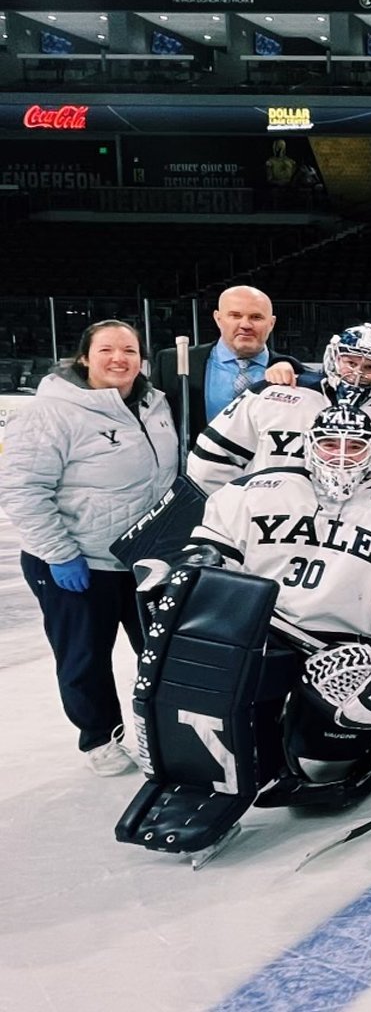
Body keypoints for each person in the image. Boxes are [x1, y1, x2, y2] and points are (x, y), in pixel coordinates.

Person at [127, 403, 371, 852]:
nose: (341, 456)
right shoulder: (252, 491)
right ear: (310, 446)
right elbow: (211, 554)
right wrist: (191, 570)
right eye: (331, 444)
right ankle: (202, 772)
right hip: (258, 632)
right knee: (196, 674)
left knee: (321, 770)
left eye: (355, 447)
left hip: (342, 648)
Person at [0, 320, 178, 774]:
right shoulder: (51, 412)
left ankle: (162, 727)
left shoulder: (154, 403)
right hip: (77, 561)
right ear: (84, 357)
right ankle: (99, 736)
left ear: (143, 358)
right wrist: (59, 554)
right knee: (84, 657)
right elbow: (22, 489)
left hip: (143, 561)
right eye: (107, 350)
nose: (119, 358)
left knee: (160, 653)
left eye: (129, 350)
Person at [187, 322, 371, 508]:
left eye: (370, 367)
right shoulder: (274, 393)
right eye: (350, 362)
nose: (357, 373)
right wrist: (233, 511)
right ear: (332, 357)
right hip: (263, 532)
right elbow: (210, 460)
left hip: (346, 546)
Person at [151, 284, 301, 438]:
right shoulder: (172, 363)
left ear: (271, 323)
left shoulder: (294, 372)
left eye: (256, 317)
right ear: (218, 319)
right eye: (235, 315)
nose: (245, 325)